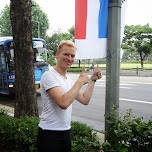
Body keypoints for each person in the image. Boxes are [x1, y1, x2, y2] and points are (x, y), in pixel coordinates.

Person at [37, 40, 102, 152]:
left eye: (72, 56)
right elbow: (63, 103)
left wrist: (92, 80)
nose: (69, 58)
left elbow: (84, 99)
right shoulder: (48, 76)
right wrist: (80, 82)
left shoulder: (68, 80)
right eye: (66, 54)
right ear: (57, 55)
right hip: (49, 133)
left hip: (65, 132)